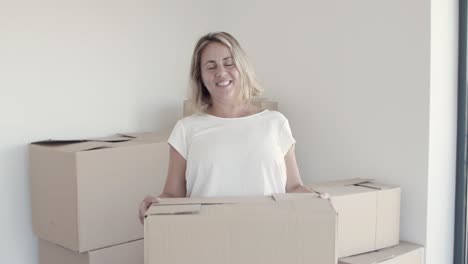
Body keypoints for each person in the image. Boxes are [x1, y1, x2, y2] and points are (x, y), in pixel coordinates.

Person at [139, 32, 310, 224]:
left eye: (229, 63)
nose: (221, 72)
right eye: (211, 67)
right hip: (207, 239)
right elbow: (172, 194)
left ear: (242, 67)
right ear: (200, 77)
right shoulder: (186, 129)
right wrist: (155, 206)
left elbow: (294, 188)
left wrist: (318, 200)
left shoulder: (276, 123)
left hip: (269, 234)